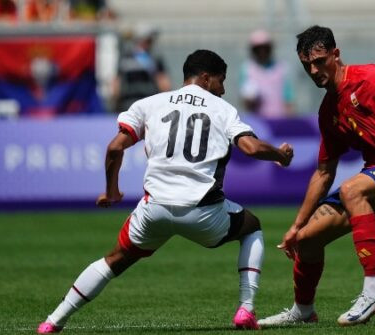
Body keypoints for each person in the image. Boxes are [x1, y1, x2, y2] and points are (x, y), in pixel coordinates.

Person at [36, 49, 294, 334]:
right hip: (202, 212)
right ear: (206, 78)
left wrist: (111, 192)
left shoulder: (150, 104)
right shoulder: (223, 109)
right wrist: (280, 155)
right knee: (252, 228)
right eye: (221, 81)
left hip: (154, 209)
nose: (222, 88)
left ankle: (53, 321)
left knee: (114, 260)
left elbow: (114, 148)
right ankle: (246, 308)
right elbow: (251, 147)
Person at [258, 25, 375, 327]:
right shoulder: (328, 111)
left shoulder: (370, 78)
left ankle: (374, 289)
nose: (314, 70)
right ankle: (303, 312)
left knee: (351, 189)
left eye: (320, 61)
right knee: (306, 241)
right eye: (307, 66)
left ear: (336, 54)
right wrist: (296, 226)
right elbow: (323, 172)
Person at [113, 24, 172, 112]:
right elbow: (164, 84)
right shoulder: (153, 58)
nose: (151, 42)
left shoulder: (126, 56)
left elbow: (164, 83)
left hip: (144, 103)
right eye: (149, 40)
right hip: (137, 104)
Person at [239, 29, 294, 118]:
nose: (262, 52)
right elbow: (245, 100)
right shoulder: (247, 68)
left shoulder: (281, 67)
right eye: (258, 49)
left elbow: (288, 97)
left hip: (279, 118)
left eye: (265, 48)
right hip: (258, 121)